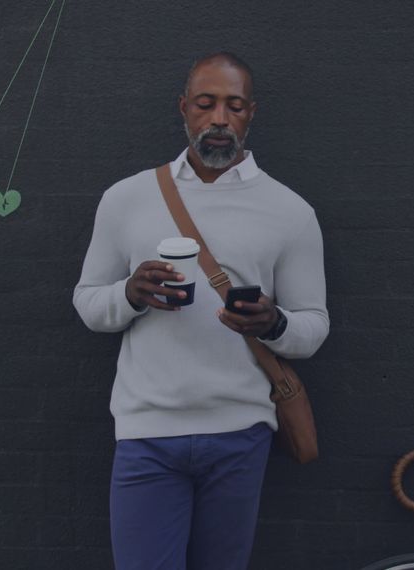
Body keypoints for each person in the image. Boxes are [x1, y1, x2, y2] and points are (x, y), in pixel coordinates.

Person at [72, 52, 329, 570]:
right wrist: (130, 293)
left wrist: (273, 323)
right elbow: (87, 302)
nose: (218, 119)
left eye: (233, 106)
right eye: (206, 104)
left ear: (251, 114)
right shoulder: (127, 198)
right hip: (147, 434)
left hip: (239, 434)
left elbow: (313, 326)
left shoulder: (290, 211)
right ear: (184, 108)